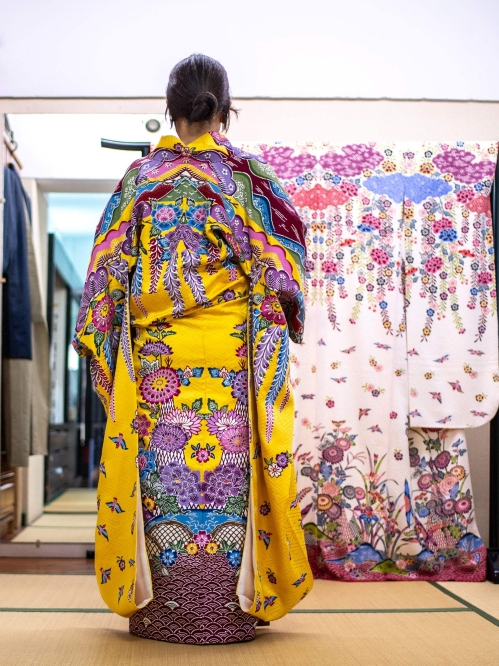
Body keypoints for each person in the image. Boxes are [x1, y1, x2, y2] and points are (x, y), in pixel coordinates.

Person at [72, 53, 313, 645]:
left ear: (170, 111)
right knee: (230, 484)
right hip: (231, 370)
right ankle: (231, 612)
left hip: (158, 373)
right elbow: (286, 271)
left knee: (165, 487)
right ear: (225, 109)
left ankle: (162, 612)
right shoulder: (251, 179)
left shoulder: (140, 180)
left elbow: (104, 281)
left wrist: (115, 353)